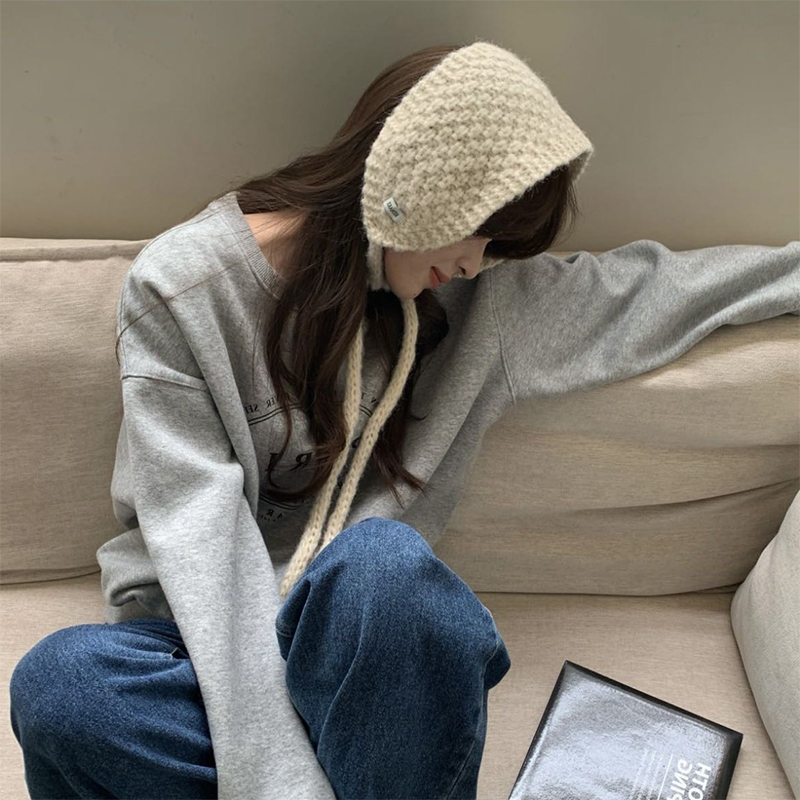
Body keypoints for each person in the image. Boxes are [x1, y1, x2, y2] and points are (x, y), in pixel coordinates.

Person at [9, 39, 799, 800]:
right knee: (62, 686)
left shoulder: (480, 301)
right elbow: (201, 542)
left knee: (382, 566)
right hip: (196, 645)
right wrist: (281, 780)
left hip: (361, 656)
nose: (476, 262)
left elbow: (654, 290)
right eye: (481, 230)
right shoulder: (180, 292)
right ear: (415, 191)